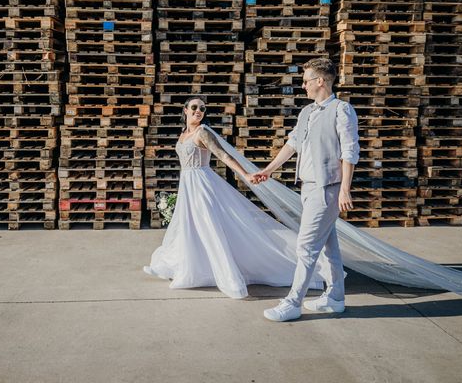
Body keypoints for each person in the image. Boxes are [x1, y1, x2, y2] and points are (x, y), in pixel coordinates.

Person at [143, 96, 325, 299]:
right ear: (185, 110)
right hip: (188, 184)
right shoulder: (184, 133)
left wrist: (246, 175)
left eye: (202, 108)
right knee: (190, 226)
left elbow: (224, 156)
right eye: (194, 107)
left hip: (202, 183)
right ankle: (191, 267)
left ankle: (228, 272)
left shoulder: (203, 132)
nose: (198, 111)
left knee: (208, 226)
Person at [251, 57, 360, 322]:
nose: (303, 86)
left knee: (306, 246)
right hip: (308, 188)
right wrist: (268, 169)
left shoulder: (341, 110)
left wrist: (345, 189)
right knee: (328, 248)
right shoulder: (307, 112)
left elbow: (350, 151)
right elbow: (293, 144)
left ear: (320, 81)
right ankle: (335, 298)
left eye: (306, 80)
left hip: (329, 188)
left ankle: (293, 302)